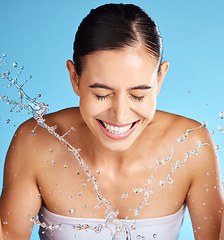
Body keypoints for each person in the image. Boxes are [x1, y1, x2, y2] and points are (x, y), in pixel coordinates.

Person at [0, 3, 223, 240]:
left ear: (160, 79)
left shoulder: (190, 146)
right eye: (102, 94)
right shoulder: (35, 143)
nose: (120, 115)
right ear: (75, 78)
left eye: (138, 95)